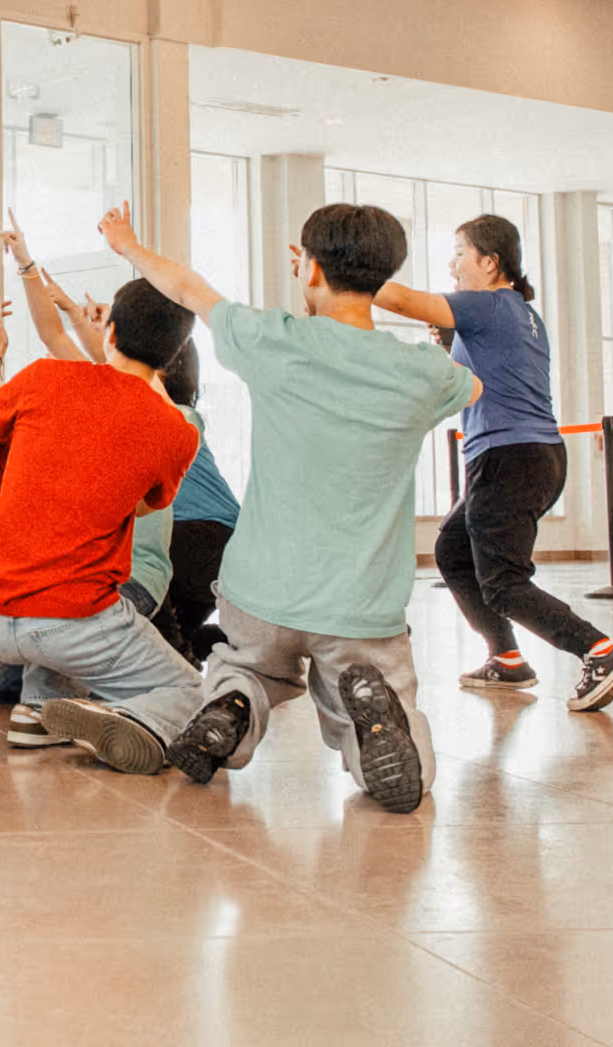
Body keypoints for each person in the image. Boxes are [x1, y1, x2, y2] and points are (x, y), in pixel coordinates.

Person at [103, 201, 481, 814]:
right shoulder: (422, 372)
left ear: (307, 269)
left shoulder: (270, 338)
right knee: (376, 706)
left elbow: (188, 289)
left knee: (243, 665)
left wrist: (127, 245)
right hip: (358, 604)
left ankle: (235, 702)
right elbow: (476, 384)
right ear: (384, 279)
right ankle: (372, 716)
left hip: (259, 590)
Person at [375, 213, 613, 712]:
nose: (452, 264)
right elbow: (467, 383)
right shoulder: (520, 314)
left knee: (502, 583)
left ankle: (600, 650)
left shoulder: (488, 305)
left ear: (490, 261)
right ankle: (506, 657)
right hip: (531, 457)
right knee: (455, 550)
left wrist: (343, 272)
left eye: (459, 252)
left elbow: (404, 301)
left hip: (508, 459)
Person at [0, 287, 203, 777]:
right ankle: (126, 717)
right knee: (194, 694)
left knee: (65, 580)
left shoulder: (45, 376)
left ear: (109, 331)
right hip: (70, 626)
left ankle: (38, 710)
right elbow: (144, 508)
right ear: (174, 356)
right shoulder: (177, 431)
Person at [155, 341, 241, 664]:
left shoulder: (179, 415)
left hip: (197, 539)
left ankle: (181, 651)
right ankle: (201, 643)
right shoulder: (183, 415)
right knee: (171, 636)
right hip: (223, 545)